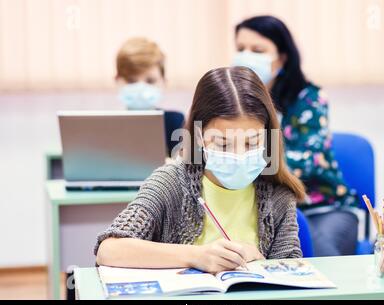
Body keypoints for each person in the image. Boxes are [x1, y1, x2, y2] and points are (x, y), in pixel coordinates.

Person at [95, 66, 306, 273]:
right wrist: (197, 256)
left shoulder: (278, 195)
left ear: (268, 136)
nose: (239, 156)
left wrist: (259, 259)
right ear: (198, 137)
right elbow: (109, 250)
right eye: (223, 144)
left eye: (252, 143)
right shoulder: (171, 183)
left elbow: (291, 273)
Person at [233, 15, 359, 256]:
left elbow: (304, 163)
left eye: (257, 49)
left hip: (323, 208)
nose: (246, 55)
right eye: (240, 49)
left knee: (316, 253)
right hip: (262, 207)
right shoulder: (238, 102)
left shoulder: (310, 98)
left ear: (282, 56)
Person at [115, 37, 184, 155]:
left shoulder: (174, 121)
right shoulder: (109, 125)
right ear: (118, 81)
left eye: (150, 81)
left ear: (164, 81)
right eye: (131, 81)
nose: (140, 88)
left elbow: (184, 167)